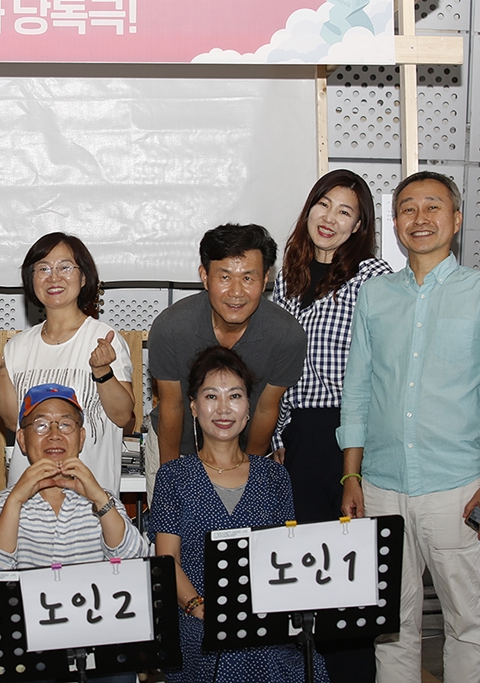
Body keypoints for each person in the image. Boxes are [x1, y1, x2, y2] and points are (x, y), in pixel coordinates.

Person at [338, 171, 480, 683]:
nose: (419, 218)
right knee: (391, 626)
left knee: (464, 622)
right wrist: (351, 476)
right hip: (381, 487)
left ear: (456, 219)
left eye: (433, 207)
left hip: (457, 488)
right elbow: (357, 392)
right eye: (408, 209)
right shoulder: (375, 295)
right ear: (396, 223)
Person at [270, 170, 390, 681]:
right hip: (296, 436)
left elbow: (383, 364)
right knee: (302, 575)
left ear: (359, 225)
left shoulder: (372, 277)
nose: (330, 218)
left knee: (347, 577)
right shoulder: (286, 279)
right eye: (323, 204)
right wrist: (278, 434)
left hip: (349, 433)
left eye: (345, 211)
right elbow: (275, 368)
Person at [149, 346, 329, 682]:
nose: (223, 408)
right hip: (197, 616)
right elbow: (167, 560)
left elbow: (287, 556)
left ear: (248, 408)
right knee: (226, 651)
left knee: (305, 661)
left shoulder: (274, 476)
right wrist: (197, 606)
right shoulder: (173, 476)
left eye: (234, 396)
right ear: (193, 406)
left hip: (263, 617)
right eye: (211, 396)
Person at [0, 383, 147, 683]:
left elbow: (137, 567)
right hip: (28, 649)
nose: (54, 434)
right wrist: (16, 500)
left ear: (81, 437)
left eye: (65, 424)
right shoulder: (0, 505)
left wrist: (100, 499)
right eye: (41, 425)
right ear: (22, 439)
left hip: (98, 644)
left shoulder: (103, 501)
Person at [147, 223, 306, 489]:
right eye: (224, 277)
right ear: (205, 276)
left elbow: (266, 409)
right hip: (178, 446)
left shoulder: (286, 335)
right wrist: (171, 480)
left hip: (243, 451)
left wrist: (249, 477)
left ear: (265, 279)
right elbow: (172, 406)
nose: (236, 292)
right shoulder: (171, 327)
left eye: (248, 278)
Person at [0, 232, 133, 494]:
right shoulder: (17, 346)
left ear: (84, 277)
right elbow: (13, 422)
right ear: (31, 279)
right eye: (43, 269)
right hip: (30, 498)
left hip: (91, 496)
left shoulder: (104, 339)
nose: (54, 277)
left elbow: (123, 417)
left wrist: (102, 371)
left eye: (65, 267)